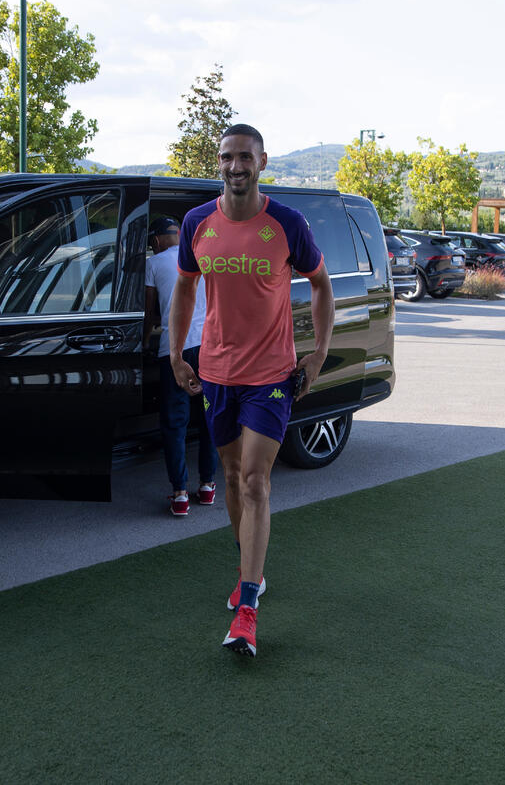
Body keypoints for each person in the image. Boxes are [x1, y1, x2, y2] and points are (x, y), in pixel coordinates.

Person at [168, 123, 334, 657]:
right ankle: (250, 575)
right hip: (216, 373)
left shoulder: (287, 223)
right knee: (234, 479)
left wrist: (318, 353)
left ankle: (247, 612)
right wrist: (177, 354)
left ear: (262, 162)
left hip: (271, 375)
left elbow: (321, 284)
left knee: (258, 480)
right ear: (218, 163)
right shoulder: (197, 223)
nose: (234, 166)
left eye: (244, 157)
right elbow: (186, 288)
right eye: (226, 157)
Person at [144, 216, 218, 516]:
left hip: (174, 351)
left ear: (158, 240)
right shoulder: (201, 257)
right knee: (209, 419)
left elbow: (151, 312)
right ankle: (208, 486)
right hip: (209, 348)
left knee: (175, 423)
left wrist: (144, 341)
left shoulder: (153, 263)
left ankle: (179, 495)